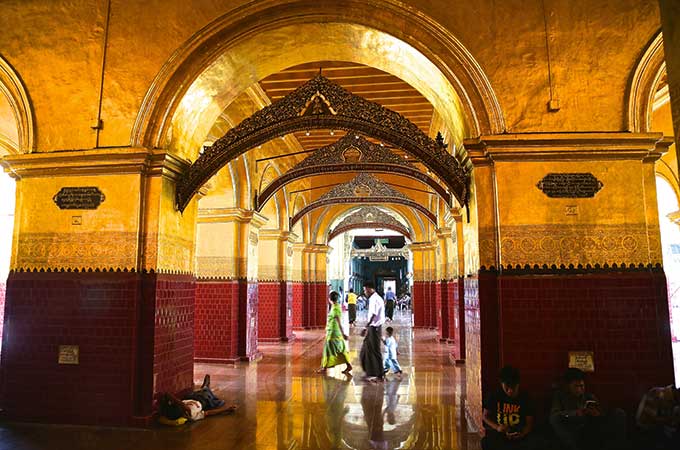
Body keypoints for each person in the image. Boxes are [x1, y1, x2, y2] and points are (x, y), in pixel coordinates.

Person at [550, 368, 627, 450]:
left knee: (619, 413)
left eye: (582, 386)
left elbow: (599, 410)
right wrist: (575, 413)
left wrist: (597, 413)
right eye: (576, 386)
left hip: (592, 427)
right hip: (575, 430)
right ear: (568, 386)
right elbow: (555, 416)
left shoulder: (588, 396)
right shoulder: (560, 397)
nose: (580, 389)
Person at [482, 366, 542, 450]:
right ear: (501, 383)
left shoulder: (525, 397)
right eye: (506, 387)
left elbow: (529, 423)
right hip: (501, 432)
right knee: (486, 442)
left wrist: (522, 433)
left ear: (518, 384)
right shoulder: (494, 396)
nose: (510, 390)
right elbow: (485, 416)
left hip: (519, 432)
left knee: (536, 443)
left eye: (513, 387)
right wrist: (497, 427)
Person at [158, 374, 237, 422]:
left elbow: (173, 399)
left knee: (199, 393)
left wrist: (168, 398)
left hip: (191, 397)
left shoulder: (180, 406)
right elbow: (208, 413)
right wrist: (226, 409)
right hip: (204, 401)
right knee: (208, 395)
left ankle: (205, 387)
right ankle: (206, 387)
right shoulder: (192, 415)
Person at [318, 291, 352, 374]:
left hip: (334, 332)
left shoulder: (335, 308)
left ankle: (324, 368)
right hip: (333, 331)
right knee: (340, 349)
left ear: (329, 299)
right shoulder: (336, 306)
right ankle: (348, 365)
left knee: (329, 349)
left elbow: (339, 322)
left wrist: (343, 333)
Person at [636, 383, 680, 449]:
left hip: (658, 430)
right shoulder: (657, 393)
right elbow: (651, 419)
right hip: (646, 432)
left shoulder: (672, 400)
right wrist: (671, 420)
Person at [360, 281, 385, 382]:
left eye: (365, 290)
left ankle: (379, 373)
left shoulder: (374, 299)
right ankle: (370, 370)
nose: (365, 292)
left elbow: (373, 314)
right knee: (366, 348)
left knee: (375, 350)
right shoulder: (375, 298)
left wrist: (366, 327)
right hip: (374, 327)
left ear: (370, 289)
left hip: (374, 328)